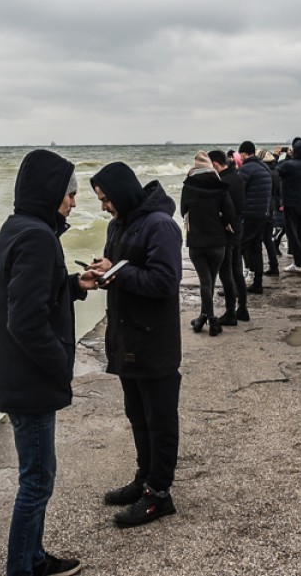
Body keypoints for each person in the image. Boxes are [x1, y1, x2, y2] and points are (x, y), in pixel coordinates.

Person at [0, 149, 96, 576]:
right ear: (51, 193)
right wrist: (59, 363)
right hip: (29, 379)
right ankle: (21, 568)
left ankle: (33, 558)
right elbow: (26, 320)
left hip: (18, 374)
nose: (74, 202)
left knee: (39, 477)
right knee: (35, 482)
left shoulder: (17, 229)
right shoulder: (36, 237)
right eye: (69, 193)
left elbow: (28, 295)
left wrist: (73, 284)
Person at [89, 161, 183, 528]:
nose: (104, 207)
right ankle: (145, 479)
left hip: (154, 339)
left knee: (159, 419)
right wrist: (104, 270)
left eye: (106, 199)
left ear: (123, 193)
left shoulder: (161, 225)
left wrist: (117, 272)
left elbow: (165, 282)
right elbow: (122, 269)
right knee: (137, 415)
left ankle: (160, 494)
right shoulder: (119, 224)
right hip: (126, 336)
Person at [180, 151, 235, 336]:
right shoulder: (220, 186)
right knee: (210, 280)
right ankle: (209, 320)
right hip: (217, 240)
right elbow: (229, 213)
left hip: (196, 241)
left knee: (205, 282)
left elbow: (182, 211)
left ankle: (206, 318)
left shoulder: (188, 186)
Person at [208, 150, 246, 324]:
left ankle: (230, 313)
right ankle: (243, 308)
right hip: (239, 227)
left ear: (215, 164)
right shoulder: (237, 177)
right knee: (237, 270)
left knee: (226, 272)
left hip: (228, 230)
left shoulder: (222, 182)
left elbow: (223, 209)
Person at [236, 141, 272, 294]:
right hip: (262, 214)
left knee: (237, 249)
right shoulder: (264, 167)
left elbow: (237, 191)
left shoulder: (246, 169)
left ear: (244, 153)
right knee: (256, 249)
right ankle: (258, 284)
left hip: (249, 215)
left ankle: (236, 287)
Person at [276, 139, 301, 273]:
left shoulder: (289, 164)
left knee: (292, 233)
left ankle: (297, 262)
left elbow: (276, 168)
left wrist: (281, 155)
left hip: (290, 202)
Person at [258, 148, 282, 276]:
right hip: (272, 207)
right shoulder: (276, 171)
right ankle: (274, 266)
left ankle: (257, 269)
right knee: (268, 239)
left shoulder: (263, 173)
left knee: (259, 240)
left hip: (264, 207)